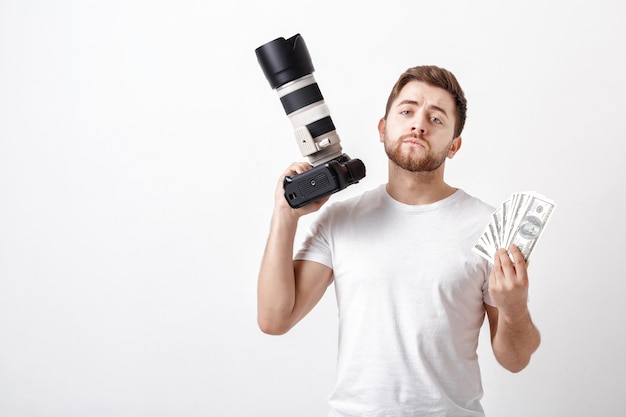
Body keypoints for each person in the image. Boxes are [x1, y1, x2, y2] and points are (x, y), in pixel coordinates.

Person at [257, 65, 541, 417]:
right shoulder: (341, 220)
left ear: (454, 145)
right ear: (382, 128)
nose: (418, 124)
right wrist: (284, 215)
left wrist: (514, 306)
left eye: (436, 119)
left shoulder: (490, 228)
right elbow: (274, 319)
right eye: (407, 111)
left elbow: (515, 361)